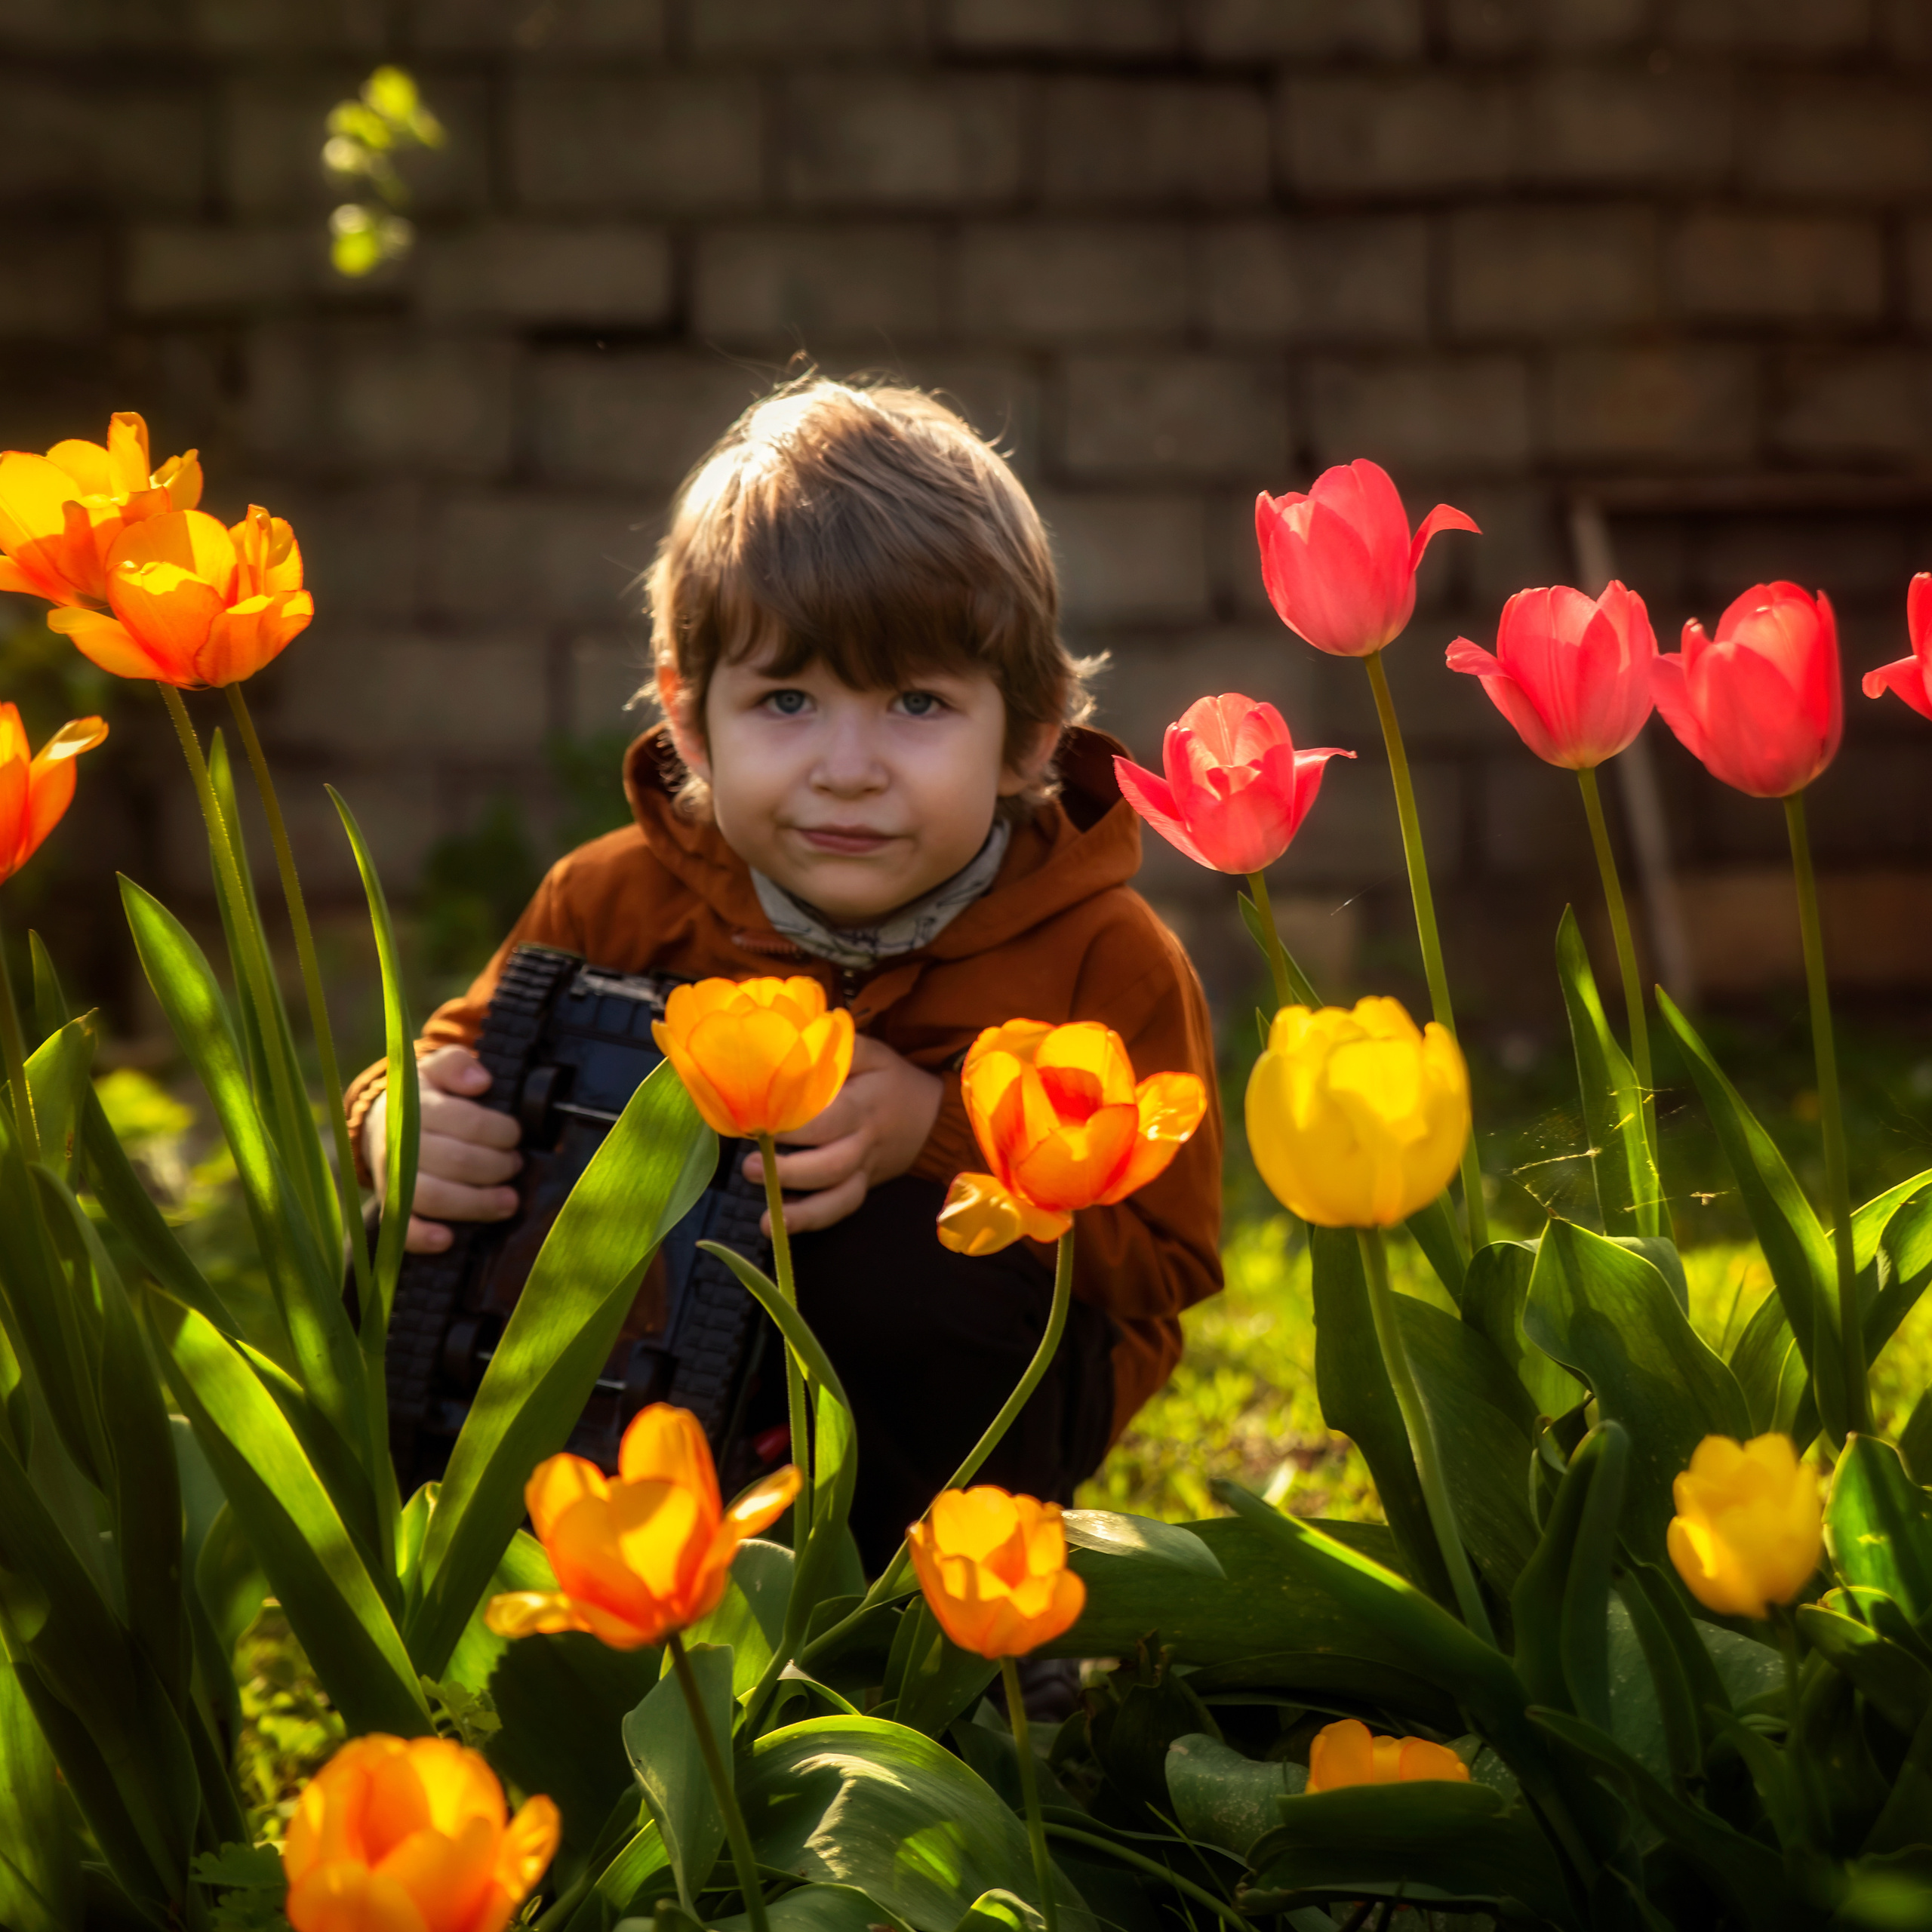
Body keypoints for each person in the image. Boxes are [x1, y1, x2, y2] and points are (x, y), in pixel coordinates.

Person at [345, 378, 1223, 1565]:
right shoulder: (611, 901)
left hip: (953, 1409)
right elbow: (464, 1059)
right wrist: (402, 1125)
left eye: (917, 702)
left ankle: (946, 1622)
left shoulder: (1101, 957)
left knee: (906, 1260)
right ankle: (486, 1573)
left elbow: (1164, 1266)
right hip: (661, 1373)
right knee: (419, 1232)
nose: (846, 768)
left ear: (1026, 735)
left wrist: (937, 1133)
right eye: (788, 700)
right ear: (693, 723)